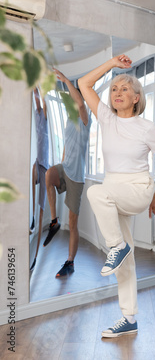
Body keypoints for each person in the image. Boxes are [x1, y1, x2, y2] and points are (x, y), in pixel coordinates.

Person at [79, 55, 155, 338]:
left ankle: (116, 247)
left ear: (136, 97)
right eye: (114, 89)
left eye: (124, 89)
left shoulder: (147, 128)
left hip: (138, 188)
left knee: (95, 192)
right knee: (125, 263)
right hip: (113, 189)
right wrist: (110, 64)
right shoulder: (106, 118)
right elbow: (84, 83)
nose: (117, 93)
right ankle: (129, 317)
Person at [44, 69, 91, 277]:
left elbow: (80, 103)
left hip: (77, 177)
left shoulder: (84, 118)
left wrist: (64, 80)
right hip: (66, 167)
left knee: (73, 223)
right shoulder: (68, 120)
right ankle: (54, 221)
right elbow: (67, 145)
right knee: (49, 175)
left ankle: (70, 262)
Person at [30, 87, 49, 270]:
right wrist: (34, 87)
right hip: (38, 162)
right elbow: (37, 101)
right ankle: (33, 219)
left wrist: (39, 88)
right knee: (30, 177)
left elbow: (42, 102)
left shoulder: (45, 118)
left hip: (45, 167)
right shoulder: (38, 116)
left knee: (42, 206)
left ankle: (35, 256)